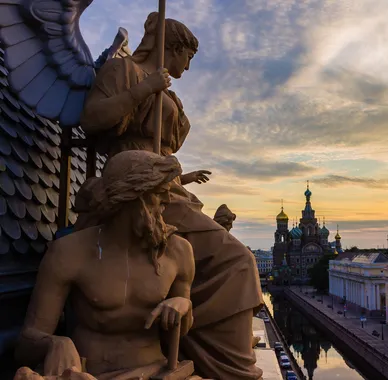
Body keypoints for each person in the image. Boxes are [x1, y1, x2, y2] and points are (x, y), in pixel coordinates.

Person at [77, 12, 263, 380]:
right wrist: (144, 89)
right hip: (134, 186)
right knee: (238, 261)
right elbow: (92, 118)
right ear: (171, 48)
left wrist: (183, 177)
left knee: (221, 257)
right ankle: (232, 367)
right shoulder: (123, 72)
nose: (188, 67)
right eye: (188, 57)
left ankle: (197, 338)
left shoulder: (165, 88)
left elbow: (161, 151)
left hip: (165, 185)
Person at [15, 151, 195, 379]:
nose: (167, 202)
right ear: (130, 196)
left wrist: (183, 305)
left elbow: (177, 338)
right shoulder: (69, 251)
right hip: (88, 373)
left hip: (156, 372)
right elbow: (25, 345)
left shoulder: (178, 252)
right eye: (159, 193)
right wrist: (54, 343)